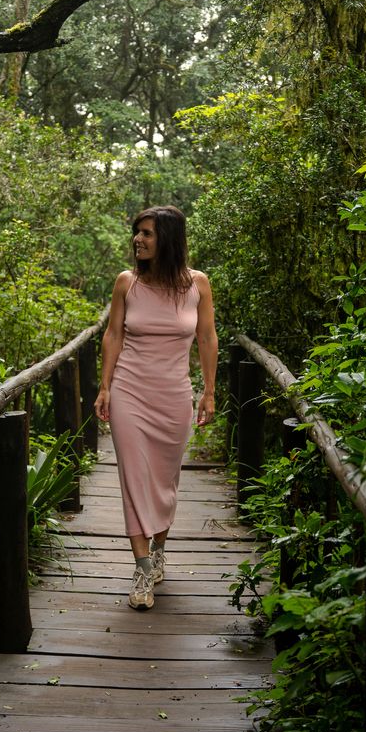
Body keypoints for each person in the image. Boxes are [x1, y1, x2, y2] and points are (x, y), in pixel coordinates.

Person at [94, 205, 218, 610]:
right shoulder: (126, 283)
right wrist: (105, 386)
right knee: (133, 476)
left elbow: (207, 339)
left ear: (168, 239)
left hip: (174, 396)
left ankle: (160, 550)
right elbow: (113, 335)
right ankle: (143, 567)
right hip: (130, 391)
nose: (138, 239)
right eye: (136, 232)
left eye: (147, 233)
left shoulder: (197, 284)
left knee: (165, 482)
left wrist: (209, 391)